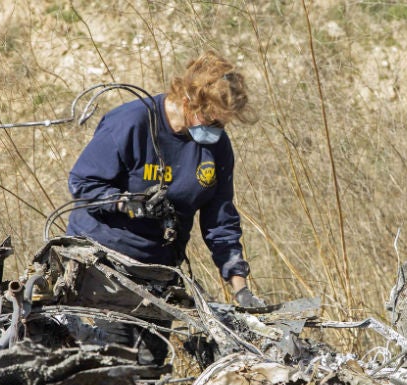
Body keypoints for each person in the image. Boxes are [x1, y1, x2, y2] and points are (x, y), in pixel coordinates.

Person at [66, 50, 265, 309]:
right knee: (111, 347)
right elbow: (82, 184)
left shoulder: (216, 147)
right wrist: (129, 204)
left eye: (222, 124)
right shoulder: (131, 123)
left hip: (159, 271)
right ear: (188, 100)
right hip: (101, 264)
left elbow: (220, 220)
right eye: (209, 120)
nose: (215, 130)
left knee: (151, 350)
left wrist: (241, 289)